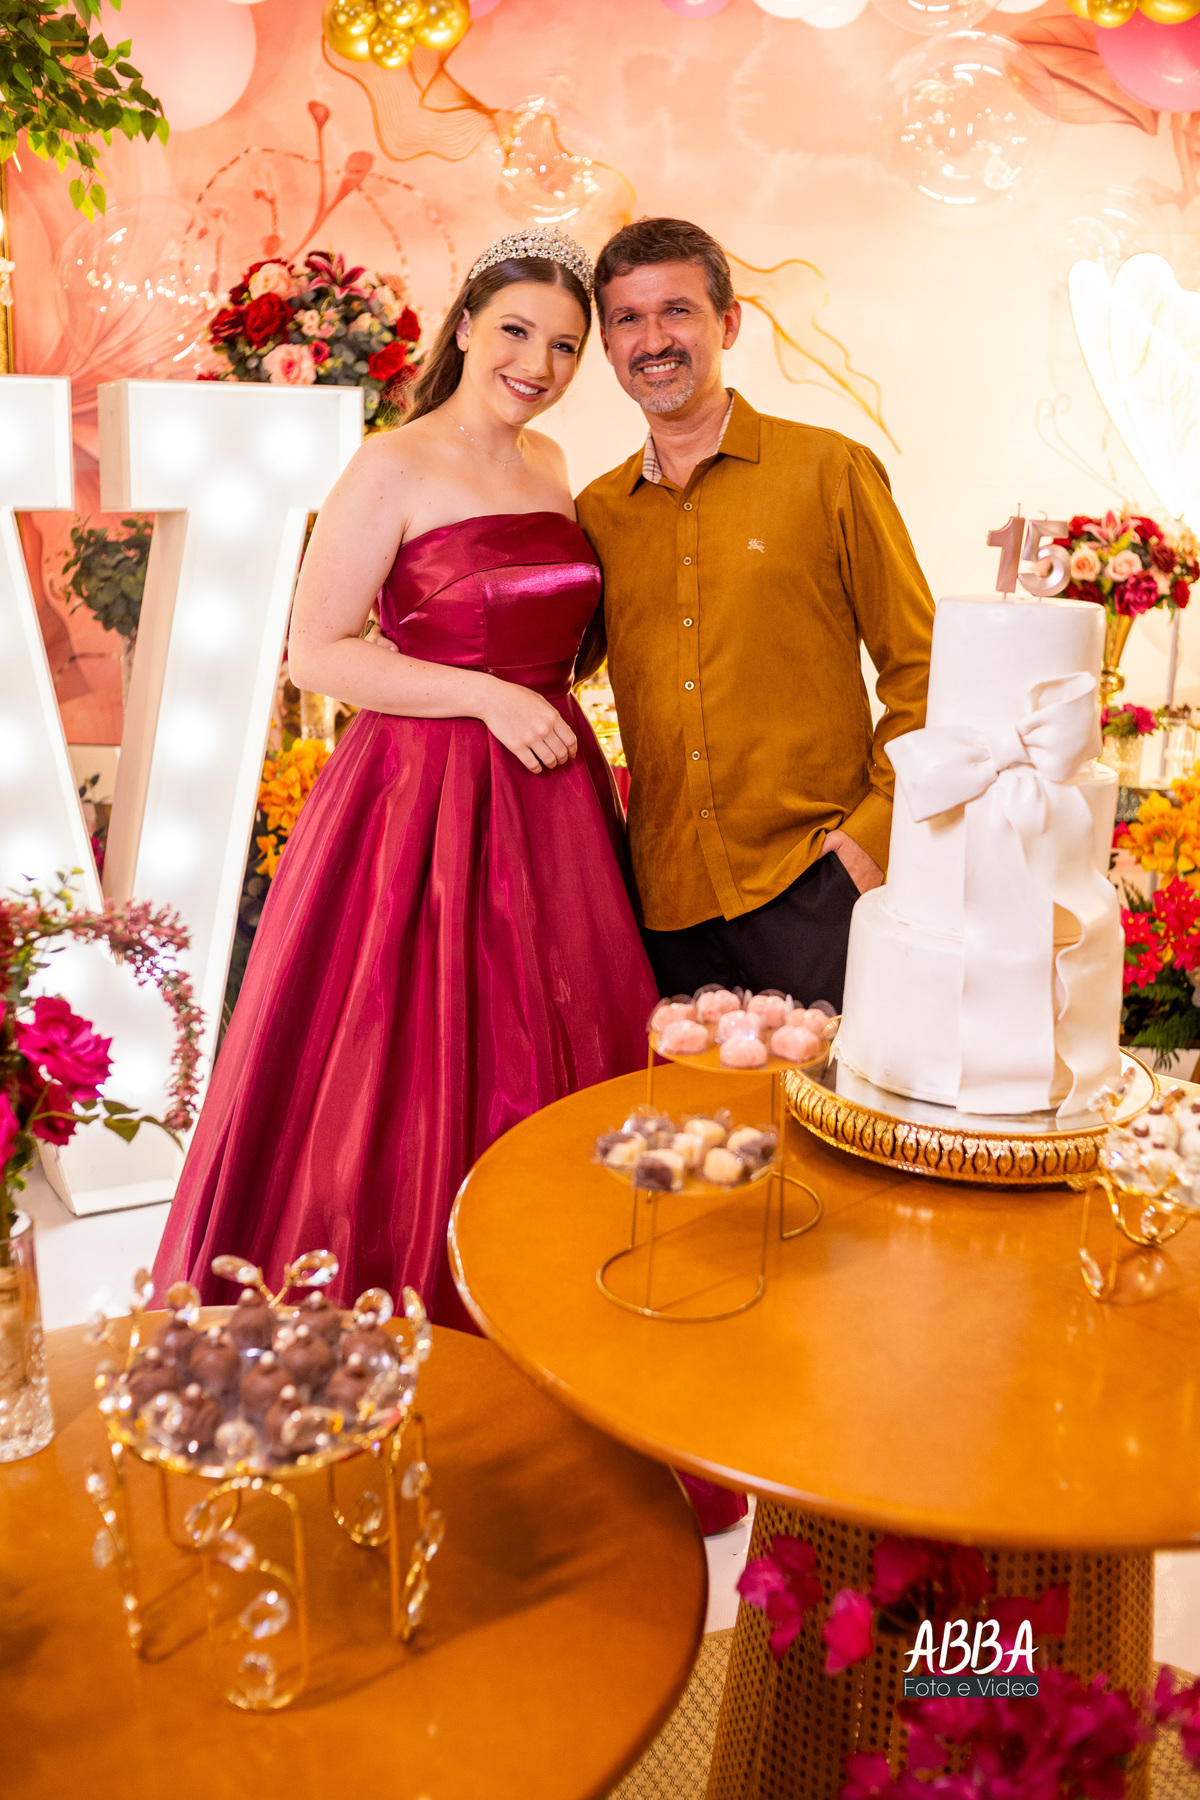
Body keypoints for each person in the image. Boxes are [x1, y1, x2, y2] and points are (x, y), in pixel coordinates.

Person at [152, 228, 658, 1333]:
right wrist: (486, 697)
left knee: (561, 1035)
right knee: (411, 1056)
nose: (538, 363)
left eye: (564, 347)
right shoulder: (390, 464)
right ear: (466, 326)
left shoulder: (552, 466)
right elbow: (318, 653)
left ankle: (561, 1304)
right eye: (516, 330)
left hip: (551, 795)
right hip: (422, 796)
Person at [575, 218, 936, 1011]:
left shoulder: (829, 469)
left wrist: (869, 841)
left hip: (817, 885)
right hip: (665, 906)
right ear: (607, 345)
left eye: (677, 311)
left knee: (836, 1093)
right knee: (684, 1099)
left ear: (729, 322)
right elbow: (542, 671)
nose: (653, 340)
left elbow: (925, 671)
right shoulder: (596, 512)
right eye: (628, 319)